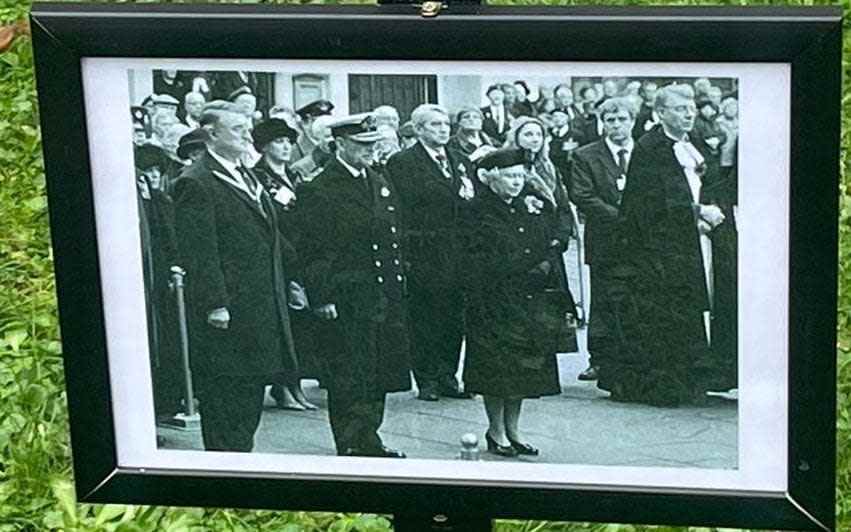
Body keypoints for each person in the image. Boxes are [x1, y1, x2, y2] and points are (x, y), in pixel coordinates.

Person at [172, 101, 300, 451]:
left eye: (247, 128)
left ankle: (240, 458)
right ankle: (226, 467)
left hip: (259, 304)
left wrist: (291, 279)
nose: (247, 135)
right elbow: (200, 250)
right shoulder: (196, 181)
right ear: (211, 134)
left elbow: (268, 236)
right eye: (237, 130)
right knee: (227, 399)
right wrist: (215, 304)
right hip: (229, 312)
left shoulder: (247, 174)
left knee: (249, 396)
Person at [604, 84, 728, 406]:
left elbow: (706, 183)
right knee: (661, 315)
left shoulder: (693, 143)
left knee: (686, 311)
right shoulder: (651, 148)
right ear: (661, 113)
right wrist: (696, 212)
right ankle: (661, 384)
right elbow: (647, 204)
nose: (688, 114)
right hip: (656, 250)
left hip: (688, 240)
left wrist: (706, 208)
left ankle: (689, 379)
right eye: (679, 109)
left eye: (691, 109)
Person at [297, 113, 411, 457]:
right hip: (346, 294)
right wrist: (323, 296)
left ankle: (370, 437)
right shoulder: (320, 188)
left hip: (380, 291)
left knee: (377, 370)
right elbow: (313, 248)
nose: (370, 150)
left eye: (373, 143)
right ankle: (350, 441)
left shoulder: (377, 179)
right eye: (362, 144)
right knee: (349, 370)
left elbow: (392, 235)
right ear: (340, 145)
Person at [462, 148, 576, 458]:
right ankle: (495, 430)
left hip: (528, 298)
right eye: (509, 176)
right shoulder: (477, 210)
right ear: (492, 178)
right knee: (496, 370)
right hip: (494, 300)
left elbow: (547, 239)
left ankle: (514, 430)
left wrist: (544, 262)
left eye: (519, 176)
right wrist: (529, 260)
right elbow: (481, 257)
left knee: (523, 370)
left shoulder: (528, 207)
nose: (516, 182)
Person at [386, 104, 476, 402]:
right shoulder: (403, 162)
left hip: (457, 251)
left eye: (445, 124)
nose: (443, 129)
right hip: (424, 250)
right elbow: (399, 209)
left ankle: (448, 374)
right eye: (435, 125)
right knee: (425, 317)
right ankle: (426, 378)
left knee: (454, 316)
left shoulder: (459, 160)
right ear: (419, 129)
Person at [251, 118, 321, 412]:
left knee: (301, 326)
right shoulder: (257, 177)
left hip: (302, 255)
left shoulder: (293, 175)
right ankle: (282, 386)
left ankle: (295, 384)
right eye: (279, 141)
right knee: (285, 324)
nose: (286, 147)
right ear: (265, 145)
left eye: (289, 142)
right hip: (280, 256)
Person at [569, 97, 637, 383]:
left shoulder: (643, 152)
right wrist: (621, 217)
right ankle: (599, 358)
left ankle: (632, 356)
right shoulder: (586, 155)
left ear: (632, 121)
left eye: (622, 119)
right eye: (610, 120)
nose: (617, 126)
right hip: (606, 238)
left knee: (636, 298)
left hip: (640, 239)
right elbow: (582, 195)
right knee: (604, 299)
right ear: (602, 123)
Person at [135, 143, 181, 421]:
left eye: (156, 171)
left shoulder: (163, 201)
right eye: (148, 171)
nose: (153, 176)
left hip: (165, 277)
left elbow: (170, 238)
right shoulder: (144, 202)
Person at [503, 116, 576, 248]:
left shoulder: (549, 168)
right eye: (528, 134)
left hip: (550, 240)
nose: (535, 139)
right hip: (519, 241)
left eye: (539, 135)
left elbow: (562, 205)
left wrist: (560, 237)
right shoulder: (505, 167)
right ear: (516, 137)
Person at [446, 106, 497, 187]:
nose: (471, 119)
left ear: (481, 122)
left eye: (476, 117)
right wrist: (473, 157)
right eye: (466, 117)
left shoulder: (492, 142)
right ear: (459, 122)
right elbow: (452, 167)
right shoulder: (451, 142)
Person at [290, 115, 335, 184]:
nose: (332, 140)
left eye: (335, 136)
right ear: (317, 138)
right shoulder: (300, 168)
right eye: (327, 136)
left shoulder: (343, 162)